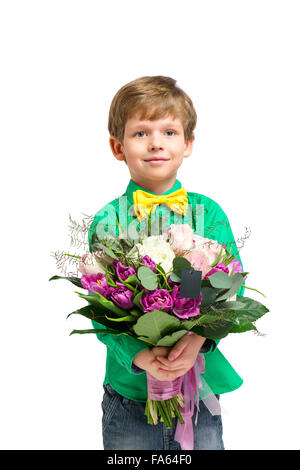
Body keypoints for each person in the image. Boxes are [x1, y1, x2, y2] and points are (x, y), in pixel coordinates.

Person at [88, 76, 244, 450]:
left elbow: (229, 287)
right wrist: (141, 356)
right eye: (140, 133)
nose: (156, 142)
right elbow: (100, 304)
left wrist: (195, 341)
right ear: (117, 146)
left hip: (197, 390)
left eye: (169, 132)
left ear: (188, 143)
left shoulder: (208, 214)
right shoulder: (109, 220)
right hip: (131, 396)